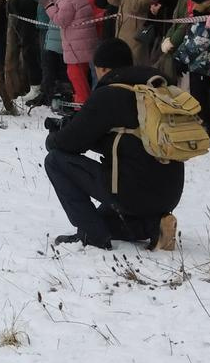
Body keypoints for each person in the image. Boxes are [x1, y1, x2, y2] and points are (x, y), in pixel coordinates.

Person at [44, 38, 182, 251]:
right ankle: (155, 226)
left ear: (103, 69)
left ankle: (92, 236)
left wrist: (53, 136)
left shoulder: (110, 93)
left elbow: (69, 142)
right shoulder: (160, 88)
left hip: (133, 192)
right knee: (103, 219)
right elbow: (126, 140)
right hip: (169, 194)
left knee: (55, 160)